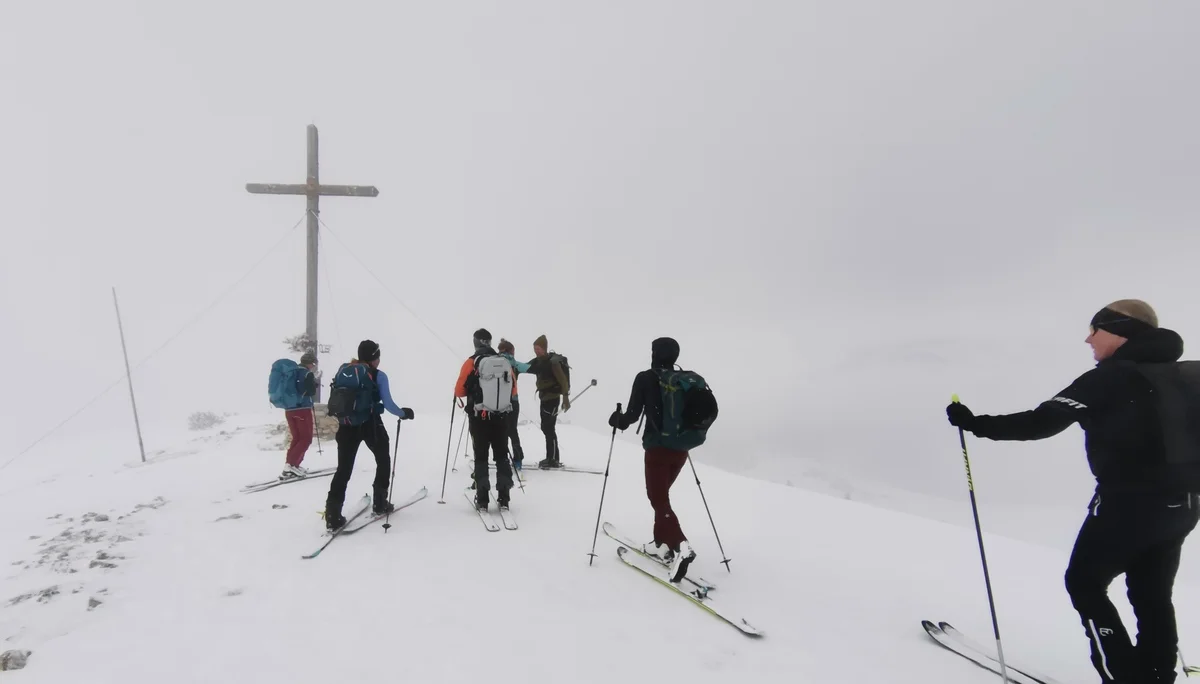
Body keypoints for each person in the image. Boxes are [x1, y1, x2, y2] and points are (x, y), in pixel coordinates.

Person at [945, 300, 1200, 684]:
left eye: (1095, 330)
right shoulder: (1190, 375)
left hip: (1128, 506)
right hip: (1184, 507)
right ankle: (1156, 676)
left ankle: (1125, 677)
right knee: (1151, 594)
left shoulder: (1111, 377)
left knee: (1085, 582)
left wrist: (974, 423)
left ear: (1120, 331)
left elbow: (1041, 423)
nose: (1088, 339)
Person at [608, 336, 698, 583]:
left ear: (655, 353)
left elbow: (632, 416)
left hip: (658, 448)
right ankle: (661, 543)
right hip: (681, 450)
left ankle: (681, 545)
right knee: (661, 497)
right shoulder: (683, 381)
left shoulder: (646, 378)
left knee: (657, 498)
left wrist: (617, 419)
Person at [323, 340, 415, 531]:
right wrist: (403, 413)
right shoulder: (378, 375)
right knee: (383, 459)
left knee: (344, 469)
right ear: (374, 357)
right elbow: (389, 404)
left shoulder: (345, 371)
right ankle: (380, 503)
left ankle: (332, 515)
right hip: (370, 424)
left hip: (346, 425)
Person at [455, 328, 515, 511]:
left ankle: (482, 499)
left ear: (475, 342)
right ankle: (504, 497)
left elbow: (459, 391)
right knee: (502, 456)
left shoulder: (471, 362)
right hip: (502, 416)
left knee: (481, 457)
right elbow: (513, 390)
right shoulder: (503, 361)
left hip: (479, 417)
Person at [522, 334, 570, 469]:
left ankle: (553, 459)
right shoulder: (537, 361)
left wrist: (565, 398)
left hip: (553, 398)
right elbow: (524, 367)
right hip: (544, 398)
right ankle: (550, 457)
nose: (536, 351)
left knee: (548, 428)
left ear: (544, 348)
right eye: (534, 349)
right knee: (546, 427)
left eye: (538, 348)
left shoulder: (553, 363)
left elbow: (563, 381)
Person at [277, 351, 319, 480]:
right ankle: (290, 466)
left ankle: (293, 464)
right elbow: (309, 391)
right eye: (314, 364)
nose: (314, 366)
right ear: (310, 363)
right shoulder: (307, 374)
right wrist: (314, 384)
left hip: (289, 410)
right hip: (302, 409)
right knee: (306, 438)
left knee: (297, 438)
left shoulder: (291, 373)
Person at [497, 338, 528, 470]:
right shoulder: (515, 364)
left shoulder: (493, 362)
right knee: (512, 430)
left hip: (498, 401)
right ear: (511, 350)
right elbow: (528, 367)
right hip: (513, 401)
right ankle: (518, 459)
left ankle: (502, 458)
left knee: (499, 430)